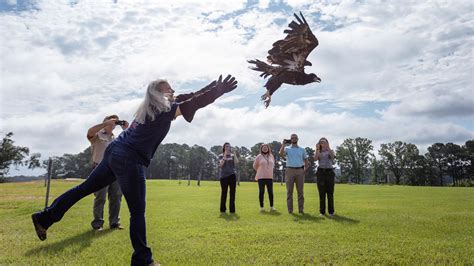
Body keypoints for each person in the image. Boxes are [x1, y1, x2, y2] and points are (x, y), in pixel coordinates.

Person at [32, 74, 238, 265]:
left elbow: (191, 96)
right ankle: (143, 260)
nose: (173, 91)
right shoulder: (163, 108)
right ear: (158, 93)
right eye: (169, 89)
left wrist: (214, 85)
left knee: (84, 188)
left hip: (115, 152)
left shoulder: (149, 108)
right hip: (129, 158)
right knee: (137, 211)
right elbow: (194, 102)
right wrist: (219, 91)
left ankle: (44, 217)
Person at [87, 114, 128, 231]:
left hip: (115, 171)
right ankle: (97, 224)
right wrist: (105, 123)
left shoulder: (117, 138)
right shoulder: (97, 135)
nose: (113, 123)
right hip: (99, 169)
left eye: (115, 122)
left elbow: (131, 141)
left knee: (116, 197)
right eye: (110, 121)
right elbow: (89, 132)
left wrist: (126, 129)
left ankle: (114, 222)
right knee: (100, 197)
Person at [279, 134, 309, 214]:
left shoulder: (302, 149)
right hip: (289, 170)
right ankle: (290, 210)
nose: (294, 139)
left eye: (295, 138)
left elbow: (306, 162)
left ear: (297, 139)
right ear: (290, 139)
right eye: (292, 138)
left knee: (300, 192)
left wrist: (304, 170)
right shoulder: (287, 148)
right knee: (289, 191)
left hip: (300, 170)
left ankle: (301, 209)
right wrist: (283, 144)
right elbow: (281, 154)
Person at [314, 137, 336, 217]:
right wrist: (317, 149)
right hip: (321, 172)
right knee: (321, 193)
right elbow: (315, 158)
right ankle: (322, 212)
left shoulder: (330, 151)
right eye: (321, 142)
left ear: (327, 143)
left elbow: (333, 157)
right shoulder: (318, 151)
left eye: (324, 142)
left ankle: (331, 212)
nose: (323, 143)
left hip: (329, 172)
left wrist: (328, 147)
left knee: (330, 193)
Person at [253, 143, 276, 211]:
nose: (265, 148)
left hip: (269, 177)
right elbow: (254, 166)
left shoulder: (271, 156)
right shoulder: (259, 156)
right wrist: (260, 170)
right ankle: (261, 207)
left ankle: (272, 207)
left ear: (268, 148)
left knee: (270, 192)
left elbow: (273, 165)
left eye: (266, 147)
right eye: (263, 147)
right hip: (261, 177)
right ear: (261, 149)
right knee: (261, 192)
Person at [218, 142, 238, 213]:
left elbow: (236, 162)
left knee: (232, 193)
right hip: (224, 177)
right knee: (224, 193)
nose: (228, 148)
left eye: (229, 147)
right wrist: (225, 156)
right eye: (226, 146)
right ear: (224, 148)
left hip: (232, 176)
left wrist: (234, 154)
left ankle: (232, 210)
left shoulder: (232, 155)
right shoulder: (221, 155)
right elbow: (221, 165)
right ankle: (222, 209)